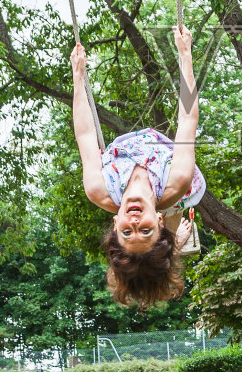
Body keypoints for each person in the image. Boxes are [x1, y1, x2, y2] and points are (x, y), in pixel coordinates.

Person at [72, 24, 203, 309]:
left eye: (126, 232)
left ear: (115, 225)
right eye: (144, 231)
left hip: (123, 154)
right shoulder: (177, 179)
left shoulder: (99, 190)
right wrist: (185, 55)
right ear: (157, 223)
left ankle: (174, 239)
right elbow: (188, 119)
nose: (133, 224)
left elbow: (84, 135)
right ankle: (176, 229)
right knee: (181, 200)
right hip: (161, 158)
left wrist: (78, 77)